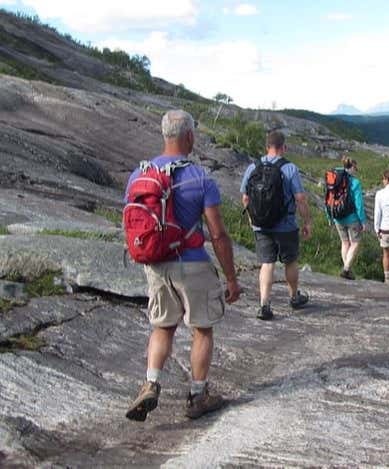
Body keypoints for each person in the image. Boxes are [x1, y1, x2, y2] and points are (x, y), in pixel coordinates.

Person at [125, 110, 242, 421]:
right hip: (192, 265)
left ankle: (150, 383)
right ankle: (198, 395)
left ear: (165, 135)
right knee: (202, 329)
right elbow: (217, 234)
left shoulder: (139, 175)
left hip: (156, 264)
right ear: (189, 136)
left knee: (163, 326)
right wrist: (231, 278)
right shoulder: (200, 178)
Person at [240, 130, 312, 320]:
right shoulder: (289, 169)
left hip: (261, 225)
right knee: (290, 260)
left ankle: (264, 304)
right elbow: (300, 198)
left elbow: (245, 197)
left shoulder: (252, 167)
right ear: (284, 147)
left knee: (267, 263)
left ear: (267, 147)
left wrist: (251, 218)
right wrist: (307, 221)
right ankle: (294, 297)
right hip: (286, 224)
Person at [329, 156, 366, 280]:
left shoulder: (333, 179)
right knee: (355, 243)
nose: (356, 170)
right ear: (352, 167)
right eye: (356, 168)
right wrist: (363, 220)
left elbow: (328, 199)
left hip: (338, 217)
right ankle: (346, 269)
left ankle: (346, 269)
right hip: (352, 218)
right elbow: (358, 203)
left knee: (344, 242)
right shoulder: (355, 182)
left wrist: (330, 217)